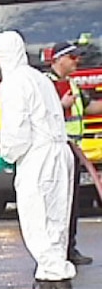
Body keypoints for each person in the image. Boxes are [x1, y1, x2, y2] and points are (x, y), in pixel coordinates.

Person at [0, 31, 80, 289]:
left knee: (38, 226)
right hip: (59, 155)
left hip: (38, 159)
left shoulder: (12, 85)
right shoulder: (39, 78)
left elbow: (16, 132)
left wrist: (5, 156)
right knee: (55, 226)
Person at [46, 41, 102, 265]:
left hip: (73, 154)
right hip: (54, 154)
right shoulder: (45, 84)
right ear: (59, 59)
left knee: (72, 202)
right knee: (56, 204)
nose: (76, 62)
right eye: (72, 58)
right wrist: (61, 105)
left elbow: (89, 108)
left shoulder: (73, 85)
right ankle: (56, 252)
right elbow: (41, 114)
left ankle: (70, 248)